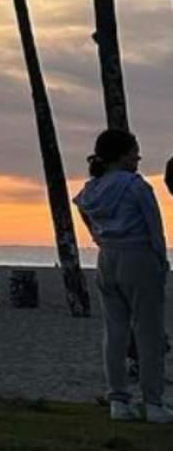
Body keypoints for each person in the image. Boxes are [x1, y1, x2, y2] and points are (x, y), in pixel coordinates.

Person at [76, 128, 170, 424]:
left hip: (108, 258)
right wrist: (161, 260)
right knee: (149, 332)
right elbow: (154, 228)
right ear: (122, 154)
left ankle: (118, 399)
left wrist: (98, 237)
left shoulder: (94, 187)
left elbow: (80, 205)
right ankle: (153, 402)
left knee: (114, 331)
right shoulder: (136, 187)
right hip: (138, 256)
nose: (137, 156)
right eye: (133, 151)